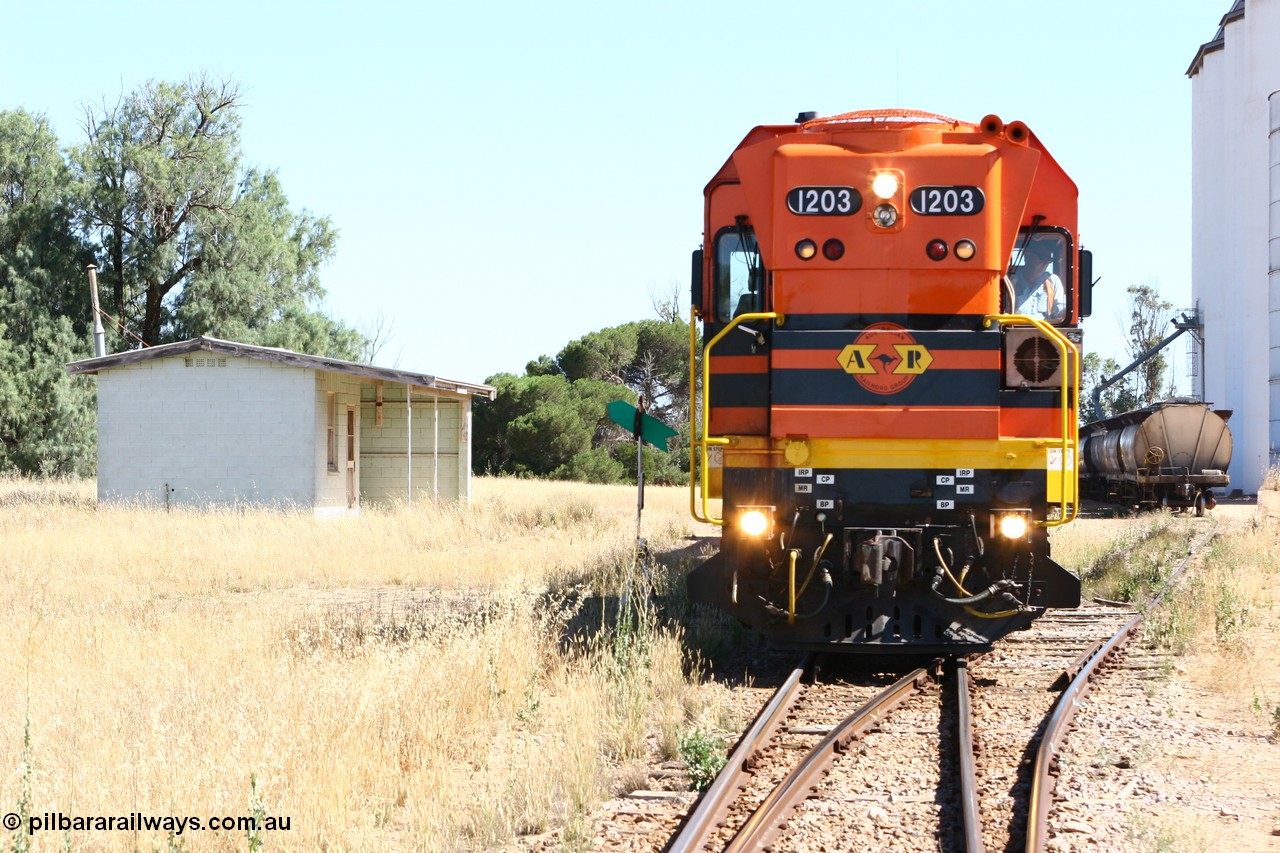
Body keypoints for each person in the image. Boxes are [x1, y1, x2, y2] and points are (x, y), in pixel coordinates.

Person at [1011, 240, 1066, 322]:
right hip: (1012, 328)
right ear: (1028, 256)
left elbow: (1060, 311)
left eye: (1049, 259)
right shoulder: (1009, 280)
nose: (1045, 263)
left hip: (1042, 332)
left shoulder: (1053, 281)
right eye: (1043, 257)